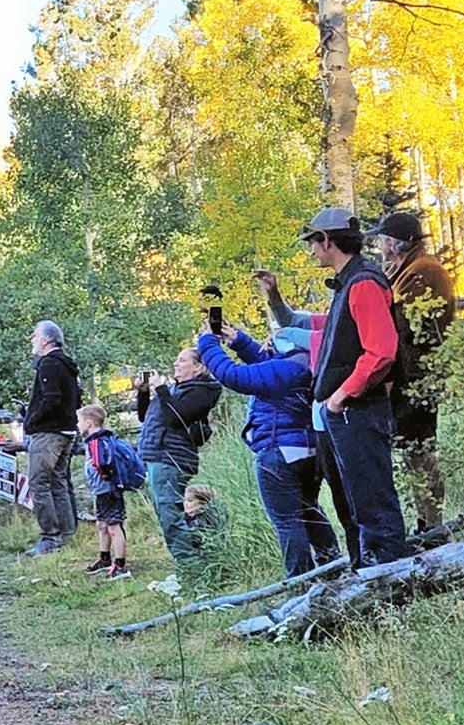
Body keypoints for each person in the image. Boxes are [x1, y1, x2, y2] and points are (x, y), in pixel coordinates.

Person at [263, 209, 411, 567]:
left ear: (327, 241)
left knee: (372, 498)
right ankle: (366, 569)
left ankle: (391, 576)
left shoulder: (363, 283)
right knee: (353, 500)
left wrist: (340, 397)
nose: (313, 251)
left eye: (314, 243)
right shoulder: (350, 284)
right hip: (345, 413)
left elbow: (381, 353)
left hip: (356, 410)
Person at [198, 322, 342, 577]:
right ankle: (333, 567)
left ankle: (301, 583)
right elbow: (268, 368)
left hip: (278, 451)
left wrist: (208, 343)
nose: (273, 338)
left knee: (288, 521)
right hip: (307, 450)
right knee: (309, 509)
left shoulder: (288, 368)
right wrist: (240, 341)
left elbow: (234, 376)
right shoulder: (308, 363)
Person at [373, 209, 457, 533]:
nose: (379, 245)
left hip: (416, 378)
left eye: (382, 239)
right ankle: (427, 523)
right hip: (415, 376)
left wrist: (395, 379)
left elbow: (404, 328)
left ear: (396, 243)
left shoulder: (422, 272)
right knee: (414, 453)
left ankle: (431, 526)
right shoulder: (412, 268)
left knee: (419, 452)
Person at [134, 346, 222, 567]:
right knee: (167, 514)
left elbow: (176, 418)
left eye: (182, 361)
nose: (176, 364)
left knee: (170, 515)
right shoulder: (176, 389)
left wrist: (161, 388)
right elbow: (146, 416)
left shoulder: (202, 391)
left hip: (172, 458)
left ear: (199, 367)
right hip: (158, 455)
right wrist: (144, 391)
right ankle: (195, 562)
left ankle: (192, 567)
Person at [21, 320, 81, 554]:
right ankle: (66, 534)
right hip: (67, 430)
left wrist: (31, 420)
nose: (33, 341)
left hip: (49, 433)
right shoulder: (67, 366)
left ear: (46, 339)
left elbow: (51, 398)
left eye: (35, 336)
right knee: (59, 482)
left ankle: (49, 537)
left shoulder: (48, 364)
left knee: (39, 483)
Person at [78, 402, 144, 580]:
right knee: (102, 524)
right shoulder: (100, 440)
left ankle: (121, 565)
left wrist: (106, 476)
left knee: (114, 526)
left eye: (80, 421)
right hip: (101, 490)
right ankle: (105, 558)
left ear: (89, 422)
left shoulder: (96, 442)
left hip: (108, 490)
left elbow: (101, 463)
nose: (78, 425)